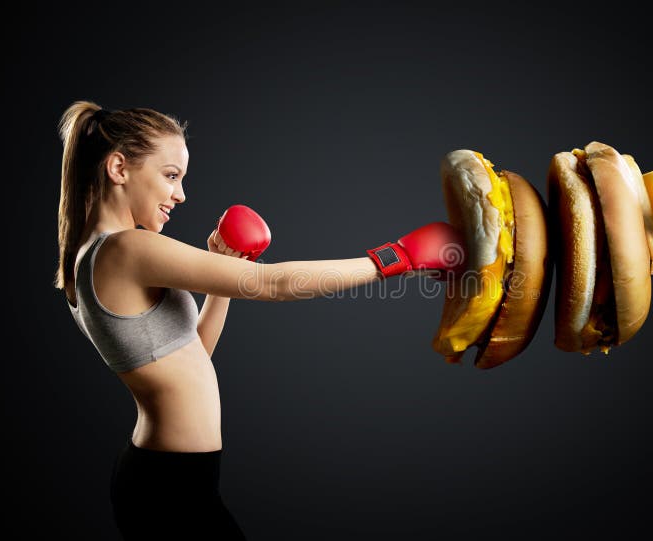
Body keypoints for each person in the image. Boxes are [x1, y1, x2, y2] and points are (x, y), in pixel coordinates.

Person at [54, 100, 464, 539]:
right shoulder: (125, 250)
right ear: (118, 167)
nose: (180, 194)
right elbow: (272, 284)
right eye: (170, 175)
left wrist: (218, 277)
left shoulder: (91, 253)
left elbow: (194, 355)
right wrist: (395, 257)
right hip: (168, 487)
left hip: (169, 476)